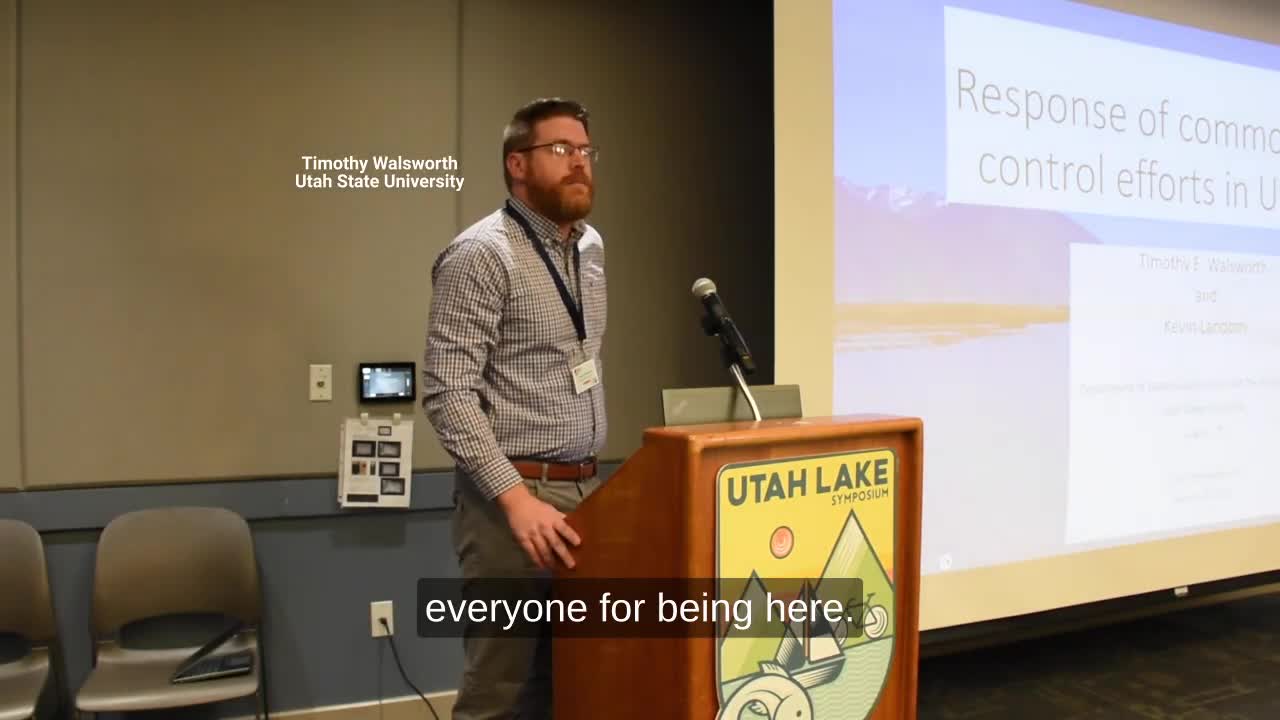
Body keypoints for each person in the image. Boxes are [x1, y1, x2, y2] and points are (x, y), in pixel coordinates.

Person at [421, 97, 607, 720]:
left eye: (585, 151)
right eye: (561, 150)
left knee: (574, 679)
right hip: (512, 504)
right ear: (517, 165)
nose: (578, 163)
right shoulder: (482, 254)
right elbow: (448, 392)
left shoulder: (590, 249)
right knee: (500, 691)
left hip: (585, 493)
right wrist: (516, 499)